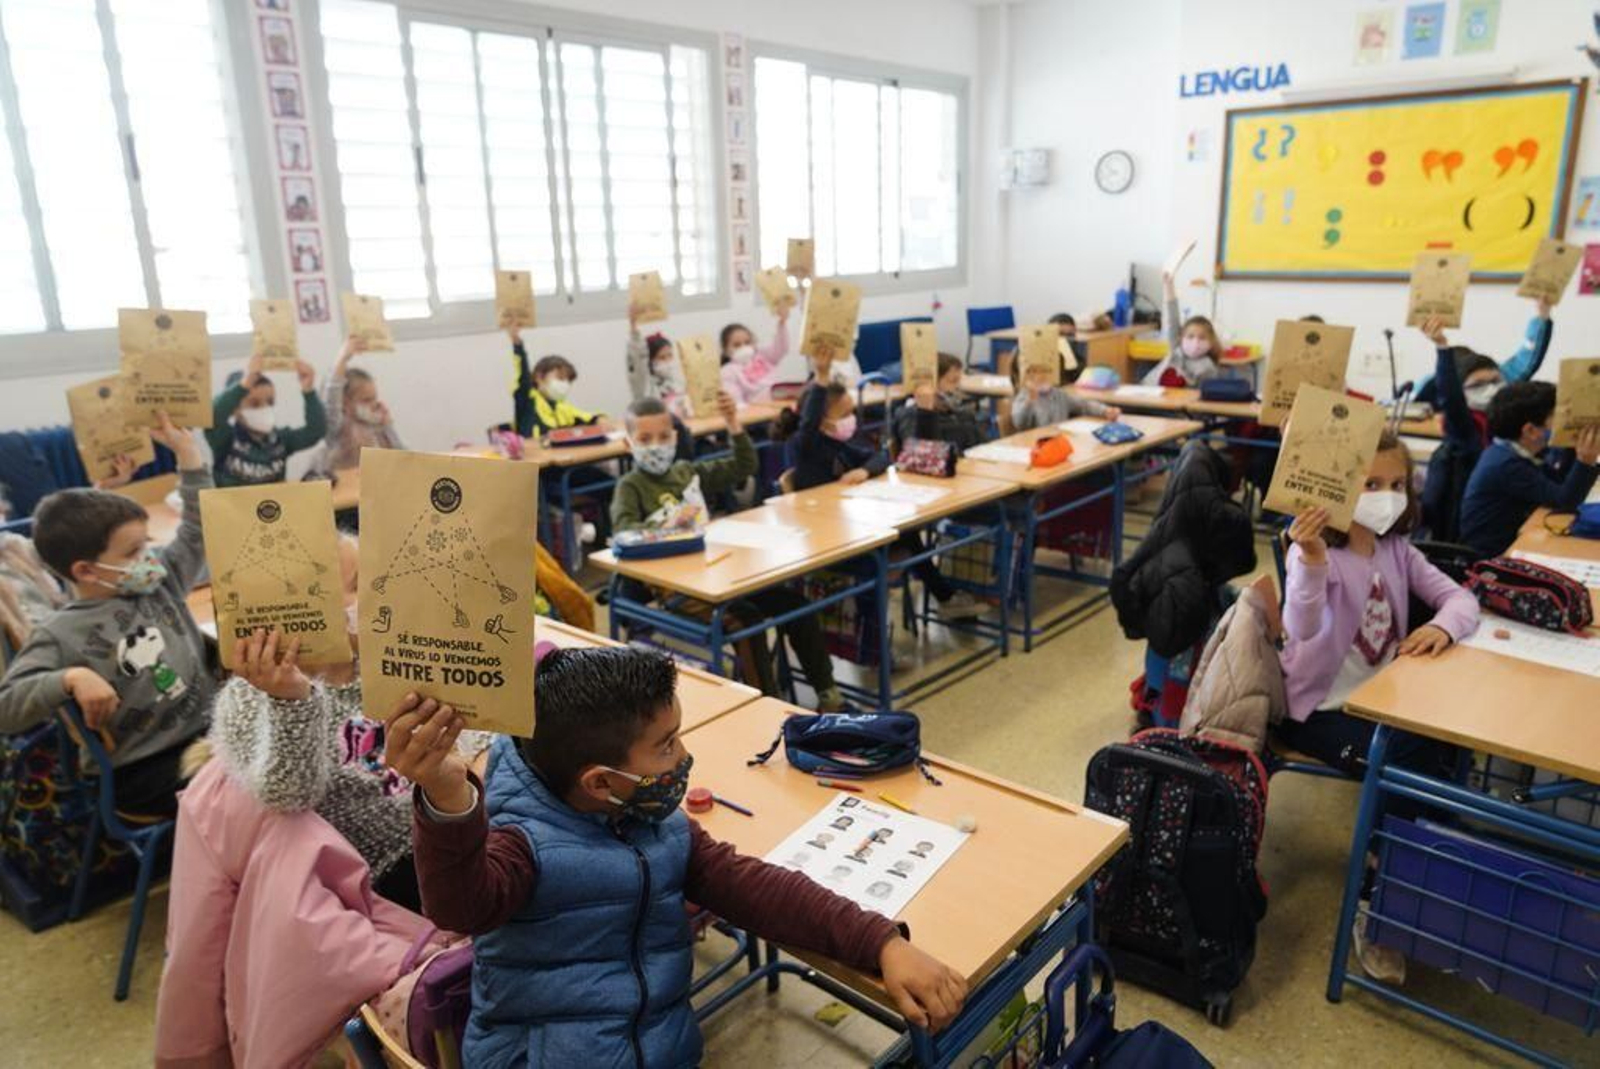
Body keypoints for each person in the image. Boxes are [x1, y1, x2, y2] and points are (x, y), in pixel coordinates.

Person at [384, 644, 967, 1066]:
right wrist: (448, 794)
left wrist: (880, 941)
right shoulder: (519, 842)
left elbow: (754, 887)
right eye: (666, 745)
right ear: (600, 782)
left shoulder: (649, 818)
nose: (683, 755)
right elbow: (460, 904)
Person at [1279, 432, 1480, 985]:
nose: (1387, 496)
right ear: (1338, 488)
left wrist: (1441, 626)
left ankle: (1420, 868)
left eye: (1397, 485)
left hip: (1381, 702)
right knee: (1399, 769)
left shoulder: (1397, 550)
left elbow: (1463, 600)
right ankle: (1379, 902)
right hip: (1319, 711)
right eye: (1371, 485)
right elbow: (1300, 627)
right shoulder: (1314, 554)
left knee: (1436, 748)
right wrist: (1313, 561)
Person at [0, 415, 215, 817]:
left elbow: (198, 528)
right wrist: (68, 678)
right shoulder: (61, 633)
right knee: (257, 784)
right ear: (85, 570)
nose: (148, 557)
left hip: (207, 738)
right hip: (141, 771)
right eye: (133, 552)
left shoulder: (157, 582)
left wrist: (188, 455)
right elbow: (7, 707)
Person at [613, 395, 847, 711]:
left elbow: (744, 465)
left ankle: (828, 693)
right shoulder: (630, 486)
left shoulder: (685, 471)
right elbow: (624, 534)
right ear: (629, 445)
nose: (656, 446)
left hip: (719, 575)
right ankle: (768, 706)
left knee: (797, 605)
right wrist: (663, 526)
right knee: (744, 621)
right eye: (645, 439)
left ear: (676, 438)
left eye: (663, 437)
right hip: (676, 588)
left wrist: (733, 423)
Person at [778, 368, 983, 621]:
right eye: (845, 414)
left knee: (907, 534)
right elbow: (807, 425)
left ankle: (945, 599)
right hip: (826, 541)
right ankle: (874, 641)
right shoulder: (804, 446)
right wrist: (821, 379)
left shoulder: (839, 445)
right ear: (821, 420)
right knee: (879, 560)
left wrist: (864, 470)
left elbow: (882, 456)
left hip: (851, 529)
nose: (851, 419)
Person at [1418, 310, 1557, 541]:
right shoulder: (1464, 427)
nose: (1490, 389)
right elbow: (1449, 396)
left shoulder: (1508, 417)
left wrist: (1542, 315)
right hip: (1473, 524)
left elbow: (1525, 363)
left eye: (1495, 381)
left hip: (1511, 507)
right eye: (1478, 385)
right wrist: (1442, 346)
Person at [1457, 382, 1600, 558]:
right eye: (1559, 418)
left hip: (1511, 539)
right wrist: (1585, 461)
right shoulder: (1506, 465)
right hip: (1491, 556)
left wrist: (1572, 445)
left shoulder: (1515, 450)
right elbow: (1564, 501)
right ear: (1531, 430)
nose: (1566, 423)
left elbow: (1557, 482)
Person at [207, 353, 327, 487]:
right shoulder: (225, 438)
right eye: (254, 404)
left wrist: (308, 390)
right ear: (234, 409)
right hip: (235, 506)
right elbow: (211, 416)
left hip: (273, 506)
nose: (264, 408)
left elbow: (316, 431)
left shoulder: (280, 440)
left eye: (270, 402)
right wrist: (246, 382)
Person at [507, 327, 607, 439]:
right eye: (560, 378)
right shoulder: (527, 400)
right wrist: (517, 344)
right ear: (539, 377)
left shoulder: (562, 407)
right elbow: (522, 374)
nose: (565, 384)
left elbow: (588, 418)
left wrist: (600, 420)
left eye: (568, 381)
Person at [323, 335, 403, 472]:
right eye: (366, 400)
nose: (375, 404)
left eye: (375, 398)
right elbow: (332, 396)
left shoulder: (378, 428)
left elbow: (404, 457)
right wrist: (343, 358)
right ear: (345, 403)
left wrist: (388, 426)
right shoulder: (338, 427)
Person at [894, 354, 987, 452]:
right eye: (953, 381)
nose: (958, 387)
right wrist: (926, 411)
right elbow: (922, 455)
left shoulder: (960, 415)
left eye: (960, 380)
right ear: (930, 384)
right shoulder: (911, 417)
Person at [1145, 270, 1221, 385]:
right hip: (1148, 391)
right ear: (1181, 337)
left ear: (1211, 342)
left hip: (1175, 400)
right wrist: (1169, 286)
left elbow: (1202, 396)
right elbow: (1173, 317)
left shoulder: (1207, 367)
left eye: (1202, 337)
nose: (1195, 342)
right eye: (1190, 336)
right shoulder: (1176, 347)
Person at [1009, 361, 1122, 432]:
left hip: (1058, 442)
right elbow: (1020, 423)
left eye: (1046, 371)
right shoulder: (1024, 396)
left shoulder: (1058, 394)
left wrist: (1105, 411)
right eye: (1035, 373)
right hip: (1036, 446)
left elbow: (1083, 405)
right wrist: (1029, 400)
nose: (1041, 376)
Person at [720, 308, 792, 405]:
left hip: (781, 400)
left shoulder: (762, 355)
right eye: (737, 345)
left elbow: (781, 347)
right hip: (759, 409)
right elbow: (736, 401)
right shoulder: (728, 371)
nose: (744, 347)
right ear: (726, 350)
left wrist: (782, 323)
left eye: (747, 342)